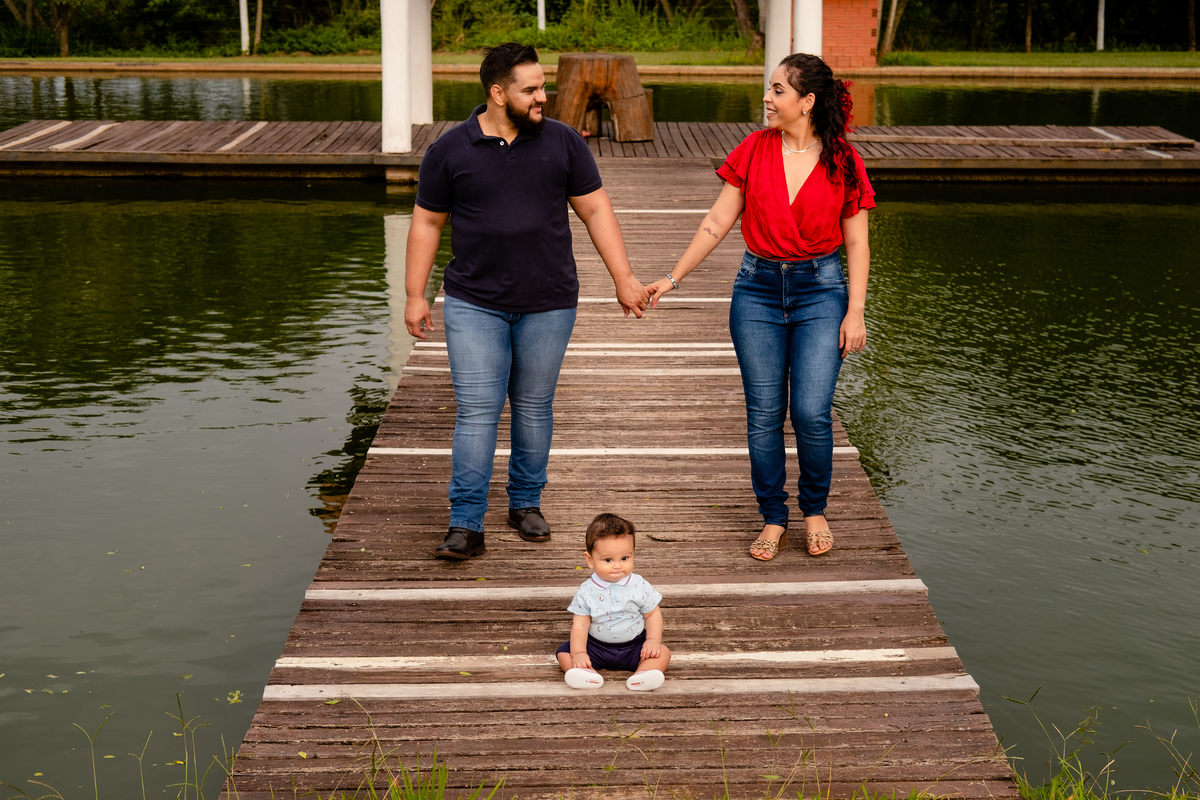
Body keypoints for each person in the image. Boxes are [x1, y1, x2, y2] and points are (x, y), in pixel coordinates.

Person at [405, 43, 652, 560]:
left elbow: (596, 211)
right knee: (477, 411)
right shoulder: (450, 151)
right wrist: (414, 294)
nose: (544, 96)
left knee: (534, 406)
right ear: (498, 93)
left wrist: (623, 278)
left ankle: (525, 503)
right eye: (532, 89)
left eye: (543, 87)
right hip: (474, 302)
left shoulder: (563, 143)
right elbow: (427, 222)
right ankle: (466, 522)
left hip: (549, 301)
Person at [647, 53, 875, 562]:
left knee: (812, 413)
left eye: (777, 90)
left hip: (822, 289)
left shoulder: (843, 159)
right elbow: (716, 220)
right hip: (757, 290)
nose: (767, 99)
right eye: (768, 89)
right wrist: (672, 278)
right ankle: (773, 515)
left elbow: (856, 243)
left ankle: (814, 509)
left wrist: (855, 310)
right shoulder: (754, 148)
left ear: (807, 101)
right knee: (764, 414)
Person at [556, 513, 670, 691]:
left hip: (634, 646)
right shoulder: (587, 591)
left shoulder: (639, 585)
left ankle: (643, 674)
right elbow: (580, 626)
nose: (617, 565)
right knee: (564, 653)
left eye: (625, 558)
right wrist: (579, 653)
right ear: (590, 560)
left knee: (663, 652)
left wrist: (653, 641)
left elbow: (653, 613)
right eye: (608, 560)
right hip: (596, 646)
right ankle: (587, 674)